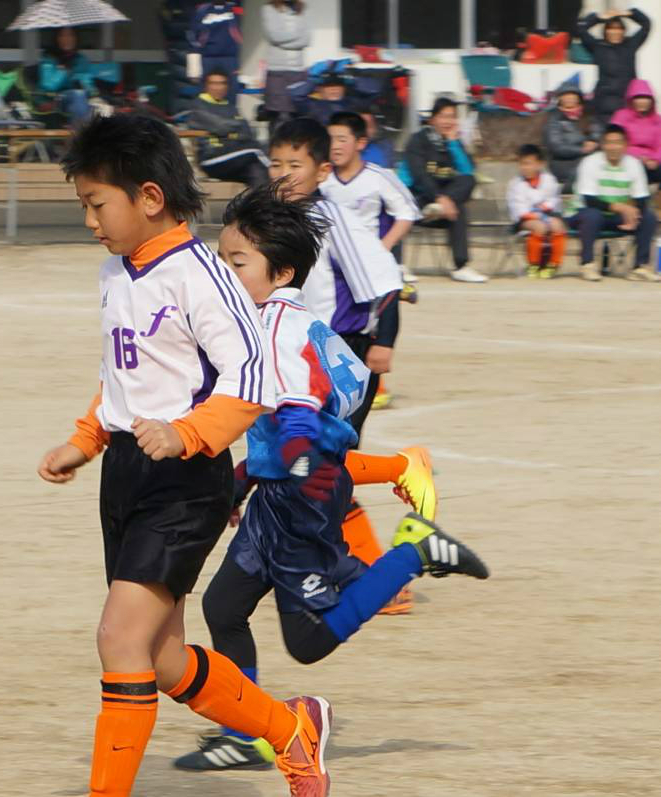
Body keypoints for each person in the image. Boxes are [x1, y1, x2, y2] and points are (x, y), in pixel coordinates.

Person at [37, 113, 332, 797]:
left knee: (118, 638)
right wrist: (86, 440)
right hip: (127, 474)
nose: (90, 221)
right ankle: (289, 729)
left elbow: (252, 379)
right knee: (162, 656)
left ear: (149, 196)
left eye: (96, 204)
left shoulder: (202, 276)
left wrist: (187, 434)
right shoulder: (115, 272)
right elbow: (124, 377)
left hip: (187, 480)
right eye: (83, 206)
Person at [171, 182, 488, 773]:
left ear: (282, 272)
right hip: (281, 492)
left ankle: (413, 554)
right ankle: (244, 733)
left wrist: (295, 460)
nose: (225, 273)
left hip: (301, 495)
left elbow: (298, 409)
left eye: (237, 263)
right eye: (223, 260)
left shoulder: (275, 328)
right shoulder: (288, 320)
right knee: (223, 606)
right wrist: (248, 476)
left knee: (308, 642)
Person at [268, 118, 424, 614]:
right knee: (299, 468)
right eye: (276, 163)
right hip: (292, 359)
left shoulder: (332, 219)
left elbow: (384, 281)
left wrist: (383, 341)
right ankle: (325, 569)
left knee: (320, 468)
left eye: (295, 164)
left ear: (321, 170)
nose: (284, 173)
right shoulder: (271, 217)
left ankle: (382, 577)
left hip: (340, 357)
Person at [323, 110, 421, 409]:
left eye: (342, 139)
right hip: (332, 268)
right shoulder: (322, 180)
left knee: (371, 324)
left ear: (361, 143)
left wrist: (382, 249)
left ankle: (375, 386)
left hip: (369, 268)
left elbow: (407, 213)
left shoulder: (379, 177)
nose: (335, 145)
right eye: (330, 139)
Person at [404, 97, 488, 283]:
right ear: (433, 119)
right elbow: (419, 175)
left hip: (442, 207)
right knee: (397, 208)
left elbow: (468, 172)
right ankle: (397, 266)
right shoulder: (418, 140)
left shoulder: (454, 142)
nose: (448, 121)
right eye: (443, 116)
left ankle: (460, 266)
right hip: (417, 200)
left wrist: (453, 144)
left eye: (452, 117)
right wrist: (438, 197)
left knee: (467, 185)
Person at [568, 124, 660, 282]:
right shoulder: (590, 162)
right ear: (603, 145)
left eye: (618, 142)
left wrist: (634, 214)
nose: (613, 147)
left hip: (617, 217)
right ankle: (587, 264)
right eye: (609, 143)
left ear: (625, 145)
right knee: (592, 215)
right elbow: (589, 201)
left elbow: (642, 199)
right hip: (584, 214)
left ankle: (640, 267)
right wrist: (622, 208)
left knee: (649, 217)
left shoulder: (634, 164)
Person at [190, 69, 269, 187]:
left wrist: (230, 132)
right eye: (214, 83)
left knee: (256, 170)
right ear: (206, 86)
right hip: (212, 157)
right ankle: (282, 178)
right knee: (255, 150)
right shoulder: (198, 106)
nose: (218, 87)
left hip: (235, 156)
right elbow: (221, 126)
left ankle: (265, 198)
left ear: (227, 86)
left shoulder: (230, 107)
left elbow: (248, 132)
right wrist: (236, 127)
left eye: (222, 83)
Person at [609, 79, 661, 220]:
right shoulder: (621, 116)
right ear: (631, 100)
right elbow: (616, 140)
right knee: (637, 169)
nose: (642, 102)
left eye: (645, 98)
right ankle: (634, 208)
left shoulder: (658, 119)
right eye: (638, 98)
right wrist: (639, 157)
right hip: (627, 159)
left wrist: (655, 159)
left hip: (651, 160)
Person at [576, 7, 651, 123]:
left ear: (623, 31)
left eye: (619, 28)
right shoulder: (598, 47)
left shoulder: (630, 45)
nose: (615, 32)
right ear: (605, 31)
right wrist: (598, 17)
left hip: (627, 103)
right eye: (611, 28)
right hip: (604, 104)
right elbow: (581, 28)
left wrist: (628, 13)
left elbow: (646, 24)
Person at [507, 145, 566, 279]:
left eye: (529, 164)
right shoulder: (516, 184)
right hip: (524, 219)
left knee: (558, 225)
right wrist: (533, 215)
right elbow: (517, 207)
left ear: (540, 164)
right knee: (539, 227)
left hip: (546, 214)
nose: (525, 168)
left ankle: (553, 264)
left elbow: (554, 198)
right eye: (522, 164)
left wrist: (546, 206)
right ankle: (534, 264)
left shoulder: (549, 180)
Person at [262, 0, 310, 130]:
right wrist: (297, 35)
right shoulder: (269, 8)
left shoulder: (303, 8)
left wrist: (284, 42)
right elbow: (274, 36)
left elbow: (307, 39)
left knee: (297, 114)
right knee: (278, 116)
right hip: (277, 71)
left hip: (298, 71)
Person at [544, 80, 600, 189]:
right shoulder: (554, 119)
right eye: (566, 95)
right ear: (560, 99)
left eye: (572, 95)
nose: (569, 98)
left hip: (587, 159)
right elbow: (556, 146)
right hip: (564, 163)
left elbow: (598, 130)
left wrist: (593, 141)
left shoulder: (587, 114)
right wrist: (581, 150)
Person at [39, 27, 94, 124]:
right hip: (54, 98)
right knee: (78, 96)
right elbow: (48, 86)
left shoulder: (81, 59)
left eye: (70, 35)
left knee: (82, 100)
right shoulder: (48, 58)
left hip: (77, 100)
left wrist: (84, 85)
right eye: (62, 35)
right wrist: (62, 71)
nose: (67, 39)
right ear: (56, 39)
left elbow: (88, 85)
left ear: (76, 38)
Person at [190, 1, 242, 80]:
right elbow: (194, 35)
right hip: (207, 57)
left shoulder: (235, 9)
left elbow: (239, 31)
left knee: (231, 85)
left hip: (230, 57)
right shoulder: (201, 10)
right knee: (208, 85)